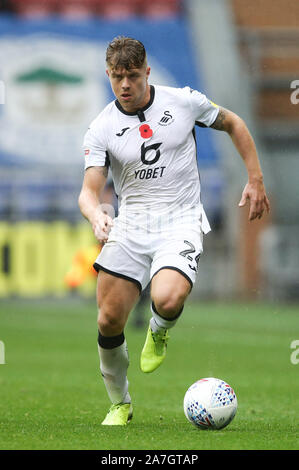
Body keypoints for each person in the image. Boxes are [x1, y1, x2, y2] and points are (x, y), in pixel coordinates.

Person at [78, 36, 270, 425]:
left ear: (147, 71)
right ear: (108, 76)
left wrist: (255, 178)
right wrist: (96, 215)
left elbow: (233, 122)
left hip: (180, 220)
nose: (125, 85)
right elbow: (88, 191)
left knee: (166, 298)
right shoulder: (101, 127)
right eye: (117, 77)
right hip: (131, 226)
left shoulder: (183, 102)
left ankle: (160, 328)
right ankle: (120, 403)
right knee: (107, 320)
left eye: (132, 75)